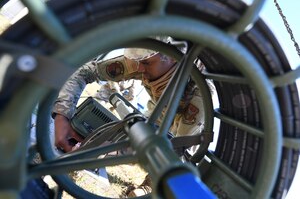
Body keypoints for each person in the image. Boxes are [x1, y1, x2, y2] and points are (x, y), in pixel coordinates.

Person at [52, 37, 206, 196]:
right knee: (139, 133)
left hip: (187, 109)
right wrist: (62, 114)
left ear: (172, 58)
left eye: (146, 63)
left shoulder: (200, 97)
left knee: (175, 152)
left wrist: (110, 152)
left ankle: (150, 185)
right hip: (159, 107)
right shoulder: (144, 60)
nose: (138, 68)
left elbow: (179, 152)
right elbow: (85, 72)